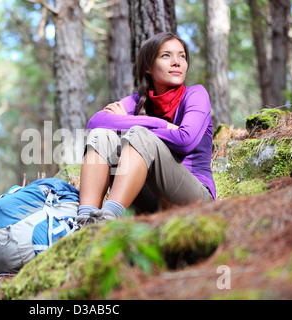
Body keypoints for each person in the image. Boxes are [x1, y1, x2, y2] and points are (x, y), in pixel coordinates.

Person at [76, 32, 216, 225]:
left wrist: (133, 126)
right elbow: (95, 123)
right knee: (102, 136)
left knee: (140, 135)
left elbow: (185, 140)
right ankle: (85, 221)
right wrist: (161, 124)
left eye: (182, 56)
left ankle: (108, 219)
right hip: (151, 201)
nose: (177, 62)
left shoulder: (196, 94)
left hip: (194, 199)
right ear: (149, 67)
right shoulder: (137, 101)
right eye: (166, 55)